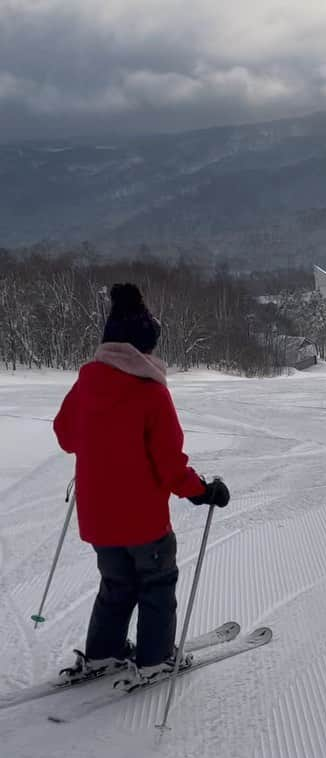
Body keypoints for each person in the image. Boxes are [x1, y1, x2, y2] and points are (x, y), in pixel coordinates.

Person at [53, 283, 230, 685]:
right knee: (156, 585)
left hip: (99, 520)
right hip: (143, 522)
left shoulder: (86, 383)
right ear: (143, 348)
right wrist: (202, 491)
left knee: (116, 585)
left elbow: (66, 436)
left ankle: (104, 652)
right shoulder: (151, 394)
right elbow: (169, 466)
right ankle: (154, 659)